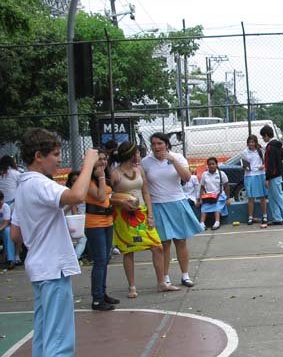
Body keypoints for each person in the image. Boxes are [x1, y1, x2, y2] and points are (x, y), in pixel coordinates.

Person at [10, 129, 97, 357]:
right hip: (52, 267)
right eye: (56, 155)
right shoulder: (38, 183)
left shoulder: (23, 186)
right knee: (59, 336)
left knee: (43, 333)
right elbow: (76, 195)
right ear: (39, 156)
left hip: (39, 266)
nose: (59, 160)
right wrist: (88, 163)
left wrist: (49, 229)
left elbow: (16, 234)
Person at [110, 141, 179, 298]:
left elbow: (146, 192)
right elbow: (107, 197)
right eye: (137, 153)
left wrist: (150, 214)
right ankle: (132, 287)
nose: (139, 155)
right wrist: (121, 202)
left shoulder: (139, 169)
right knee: (128, 250)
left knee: (157, 246)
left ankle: (161, 283)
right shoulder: (115, 173)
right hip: (124, 216)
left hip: (141, 213)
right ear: (130, 155)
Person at [141, 132, 204, 288]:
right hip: (158, 204)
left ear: (167, 144)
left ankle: (185, 275)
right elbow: (145, 187)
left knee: (181, 241)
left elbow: (187, 178)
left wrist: (173, 161)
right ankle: (165, 277)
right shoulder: (146, 162)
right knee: (164, 243)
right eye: (153, 144)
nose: (156, 147)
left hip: (177, 202)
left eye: (160, 143)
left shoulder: (177, 157)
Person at [84, 148, 122, 311]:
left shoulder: (104, 177)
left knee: (105, 259)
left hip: (107, 220)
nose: (103, 162)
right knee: (100, 260)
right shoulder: (87, 179)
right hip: (94, 223)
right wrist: (100, 177)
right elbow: (100, 197)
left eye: (105, 159)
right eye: (99, 159)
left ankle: (102, 292)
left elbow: (107, 196)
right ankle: (97, 299)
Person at [261, 124, 283, 226]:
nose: (263, 138)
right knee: (275, 197)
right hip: (277, 175)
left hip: (273, 176)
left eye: (263, 136)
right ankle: (278, 218)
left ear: (266, 135)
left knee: (277, 197)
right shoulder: (278, 145)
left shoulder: (270, 147)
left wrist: (267, 178)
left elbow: (270, 164)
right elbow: (282, 157)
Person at [0, 155, 22, 266]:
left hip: (2, 205)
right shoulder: (16, 173)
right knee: (17, 229)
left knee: (6, 231)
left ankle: (7, 256)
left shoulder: (1, 174)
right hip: (14, 205)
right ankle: (16, 256)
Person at [241, 134, 269, 225]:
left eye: (253, 142)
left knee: (262, 197)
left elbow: (266, 162)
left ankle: (265, 216)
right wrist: (246, 168)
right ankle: (250, 218)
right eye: (249, 142)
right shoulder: (245, 152)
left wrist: (263, 166)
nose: (251, 144)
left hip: (261, 174)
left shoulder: (261, 150)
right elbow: (244, 165)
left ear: (256, 142)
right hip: (250, 176)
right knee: (251, 197)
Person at [199, 157, 231, 230]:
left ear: (216, 164)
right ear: (207, 165)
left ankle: (217, 222)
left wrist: (228, 198)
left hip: (219, 195)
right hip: (208, 196)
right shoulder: (204, 174)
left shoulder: (221, 174)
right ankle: (202, 223)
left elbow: (226, 186)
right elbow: (202, 187)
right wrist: (200, 199)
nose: (211, 166)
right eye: (209, 164)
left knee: (217, 206)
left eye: (213, 164)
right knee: (204, 207)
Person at [64, 171, 88, 262]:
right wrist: (76, 218)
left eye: (78, 180)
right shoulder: (70, 193)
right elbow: (73, 207)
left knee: (80, 240)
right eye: (74, 181)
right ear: (70, 182)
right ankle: (74, 259)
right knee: (82, 239)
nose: (76, 183)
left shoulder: (84, 191)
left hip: (81, 219)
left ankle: (73, 258)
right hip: (74, 219)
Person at [0, 191, 13, 269]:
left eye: (1, 200)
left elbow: (6, 222)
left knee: (8, 232)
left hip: (4, 227)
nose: (1, 202)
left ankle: (10, 259)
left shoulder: (6, 207)